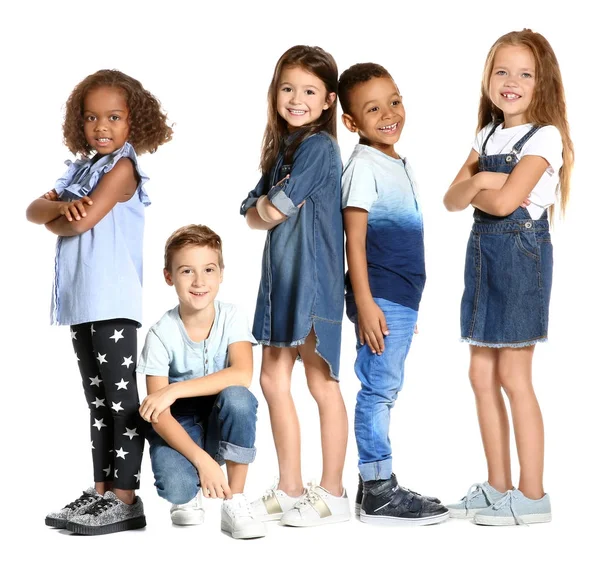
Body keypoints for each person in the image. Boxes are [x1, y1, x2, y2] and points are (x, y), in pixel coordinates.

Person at [26, 69, 172, 535]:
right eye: (91, 117)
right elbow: (34, 211)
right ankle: (101, 492)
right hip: (82, 301)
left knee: (121, 400)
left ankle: (126, 498)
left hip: (110, 299)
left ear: (135, 122)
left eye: (113, 116)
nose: (101, 126)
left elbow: (78, 222)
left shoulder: (122, 168)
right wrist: (58, 211)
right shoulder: (82, 169)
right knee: (97, 402)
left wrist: (60, 212)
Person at [443, 29, 573, 525]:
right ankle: (498, 486)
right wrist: (482, 179)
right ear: (488, 79)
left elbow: (499, 204)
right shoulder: (486, 136)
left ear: (543, 82)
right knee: (480, 373)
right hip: (481, 256)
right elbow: (451, 200)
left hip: (520, 256)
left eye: (524, 73)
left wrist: (480, 184)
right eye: (502, 71)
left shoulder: (546, 136)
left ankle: (533, 494)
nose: (511, 82)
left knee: (515, 376)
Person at [240, 45, 349, 527]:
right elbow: (249, 212)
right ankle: (289, 487)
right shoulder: (283, 147)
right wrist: (266, 206)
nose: (296, 98)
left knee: (320, 382)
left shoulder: (320, 147)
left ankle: (333, 493)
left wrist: (268, 207)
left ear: (328, 100)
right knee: (271, 379)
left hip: (313, 281)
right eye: (288, 88)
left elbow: (274, 209)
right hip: (280, 283)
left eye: (309, 90)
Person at [338, 62, 449, 525]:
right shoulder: (364, 165)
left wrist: (400, 305)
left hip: (397, 296)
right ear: (351, 122)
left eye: (395, 101)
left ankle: (374, 484)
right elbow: (355, 240)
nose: (389, 113)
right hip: (379, 294)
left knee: (386, 386)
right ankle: (379, 491)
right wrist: (368, 303)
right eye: (374, 108)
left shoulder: (396, 162)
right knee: (379, 389)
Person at [137, 225, 265, 539]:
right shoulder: (159, 334)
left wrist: (175, 389)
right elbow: (158, 412)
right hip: (179, 424)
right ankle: (191, 485)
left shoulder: (231, 316)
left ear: (221, 273)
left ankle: (234, 500)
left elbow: (242, 375)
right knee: (177, 489)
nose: (199, 281)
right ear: (169, 276)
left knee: (239, 398)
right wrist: (202, 461)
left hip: (221, 419)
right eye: (186, 271)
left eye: (208, 269)